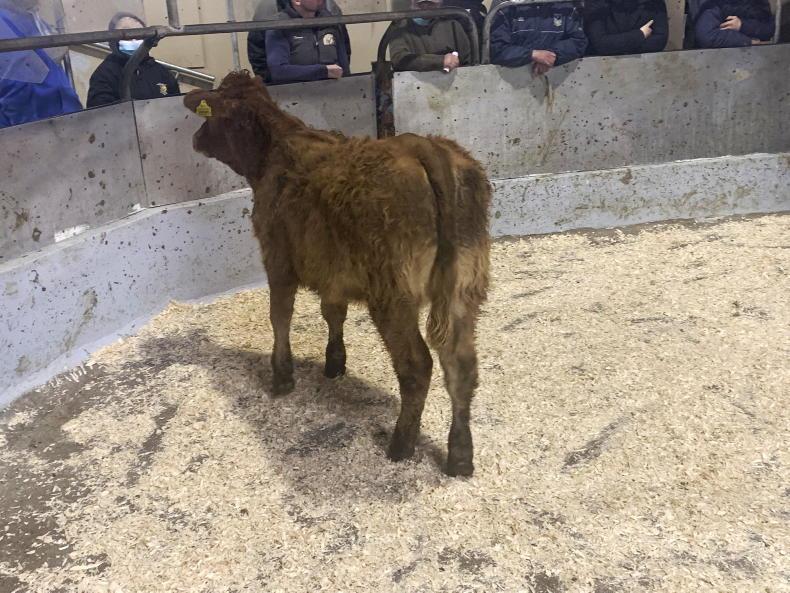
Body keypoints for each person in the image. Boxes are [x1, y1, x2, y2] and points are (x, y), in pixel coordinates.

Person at [0, 0, 81, 128]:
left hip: (64, 115)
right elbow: (15, 86)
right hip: (31, 124)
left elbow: (54, 63)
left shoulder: (32, 18)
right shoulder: (6, 21)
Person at [87, 13, 180, 108]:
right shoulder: (105, 73)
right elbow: (99, 110)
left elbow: (176, 104)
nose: (134, 40)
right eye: (127, 36)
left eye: (139, 36)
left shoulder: (160, 71)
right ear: (114, 40)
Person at [248, 0, 350, 82]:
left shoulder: (330, 19)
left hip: (333, 91)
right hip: (295, 93)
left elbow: (344, 64)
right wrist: (323, 71)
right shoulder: (277, 24)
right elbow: (277, 71)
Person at [490, 0, 587, 76]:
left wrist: (552, 55)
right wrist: (532, 55)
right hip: (510, 85)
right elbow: (497, 49)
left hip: (560, 84)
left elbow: (579, 41)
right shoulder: (505, 7)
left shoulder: (564, 7)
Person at [388, 0, 473, 73]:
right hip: (411, 85)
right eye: (422, 3)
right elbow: (399, 59)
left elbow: (468, 63)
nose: (426, 6)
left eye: (430, 3)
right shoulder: (400, 26)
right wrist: (440, 61)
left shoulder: (453, 25)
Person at [584, 0, 669, 55]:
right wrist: (641, 35)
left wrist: (617, 45)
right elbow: (600, 45)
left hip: (645, 67)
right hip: (602, 68)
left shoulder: (654, 3)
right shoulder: (597, 4)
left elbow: (659, 42)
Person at [692, 0, 774, 48]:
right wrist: (748, 42)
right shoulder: (714, 6)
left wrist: (742, 25)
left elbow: (770, 29)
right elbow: (706, 36)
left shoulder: (758, 4)